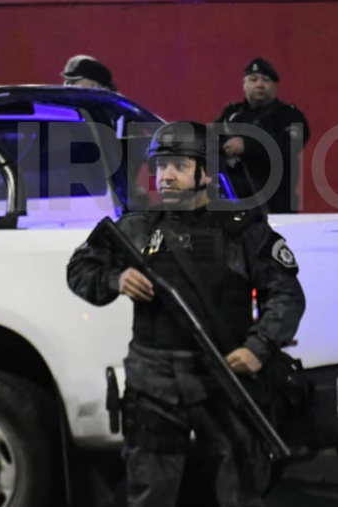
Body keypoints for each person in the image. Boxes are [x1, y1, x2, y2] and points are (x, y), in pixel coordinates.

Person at [67, 121, 305, 507]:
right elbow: (79, 269)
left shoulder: (241, 229)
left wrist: (258, 347)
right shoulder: (137, 226)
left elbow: (286, 295)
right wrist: (116, 278)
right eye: (161, 166)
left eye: (179, 166)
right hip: (154, 379)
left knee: (240, 489)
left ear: (206, 172)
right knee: (150, 490)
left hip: (226, 374)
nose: (167, 176)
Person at [215, 58, 310, 213]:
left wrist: (248, 146)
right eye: (253, 80)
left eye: (266, 80)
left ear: (274, 85)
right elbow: (211, 141)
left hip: (275, 205)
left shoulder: (289, 115)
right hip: (234, 206)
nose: (259, 84)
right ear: (244, 84)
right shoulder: (232, 114)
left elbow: (289, 147)